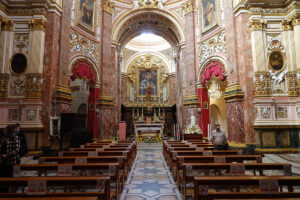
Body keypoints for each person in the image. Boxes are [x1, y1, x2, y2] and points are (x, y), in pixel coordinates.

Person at [0, 124, 21, 192]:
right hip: (3, 161)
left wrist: (7, 155)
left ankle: (12, 193)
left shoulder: (15, 138)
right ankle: (3, 192)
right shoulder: (3, 137)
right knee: (3, 177)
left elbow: (17, 150)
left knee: (13, 178)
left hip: (13, 161)